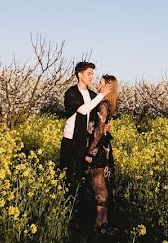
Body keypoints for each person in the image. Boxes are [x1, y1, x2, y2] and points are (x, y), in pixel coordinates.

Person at [59, 62, 111, 196]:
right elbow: (82, 110)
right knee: (69, 176)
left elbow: (98, 115)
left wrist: (105, 126)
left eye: (92, 74)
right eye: (89, 73)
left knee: (84, 177)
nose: (91, 77)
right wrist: (101, 95)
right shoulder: (71, 93)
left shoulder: (92, 95)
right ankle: (68, 206)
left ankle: (82, 208)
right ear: (79, 74)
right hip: (71, 140)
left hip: (86, 141)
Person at [84, 74, 118, 230]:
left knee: (99, 187)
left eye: (101, 83)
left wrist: (90, 151)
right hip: (105, 148)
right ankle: (104, 221)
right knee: (103, 186)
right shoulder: (109, 104)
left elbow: (97, 132)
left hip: (98, 149)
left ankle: (99, 223)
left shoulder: (102, 105)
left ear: (108, 87)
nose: (98, 84)